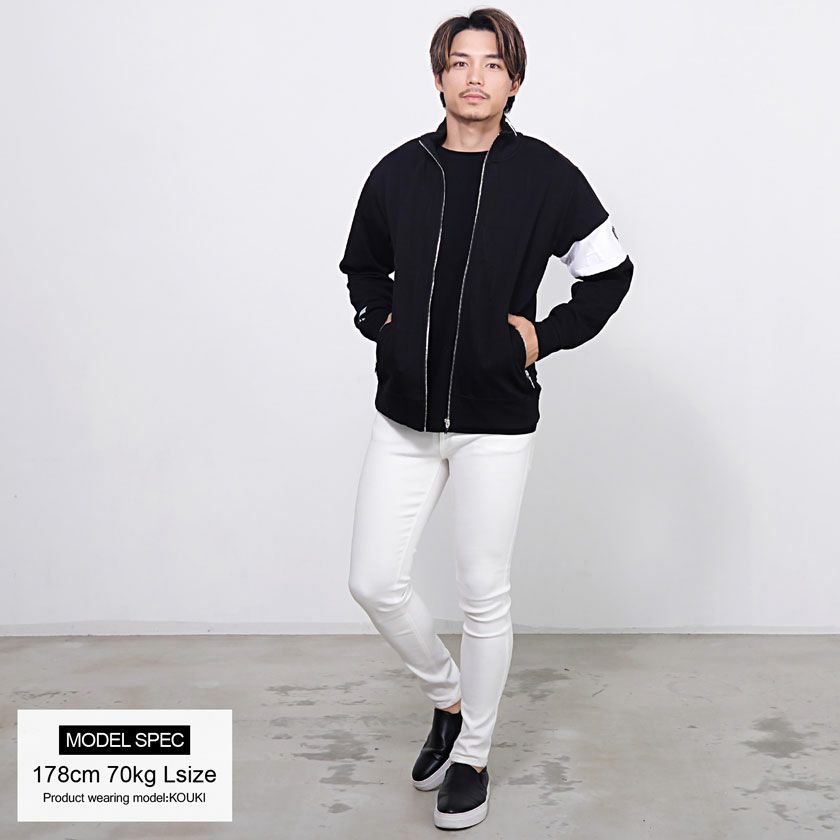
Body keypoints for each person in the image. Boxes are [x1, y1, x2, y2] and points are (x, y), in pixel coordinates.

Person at [339, 7, 633, 830]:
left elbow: (610, 272)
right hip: (404, 416)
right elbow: (363, 269)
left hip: (495, 419)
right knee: (373, 582)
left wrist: (541, 336)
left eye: (493, 63)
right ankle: (448, 699)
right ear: (439, 77)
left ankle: (472, 755)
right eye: (460, 62)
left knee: (482, 593)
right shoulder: (399, 172)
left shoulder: (545, 176)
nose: (475, 76)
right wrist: (386, 328)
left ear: (514, 81)